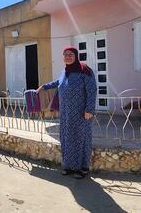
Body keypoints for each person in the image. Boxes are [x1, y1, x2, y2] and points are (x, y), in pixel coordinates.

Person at [38, 46, 97, 179]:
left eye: (71, 54)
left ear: (76, 56)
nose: (68, 56)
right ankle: (69, 166)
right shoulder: (65, 71)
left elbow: (92, 90)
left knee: (82, 139)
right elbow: (58, 82)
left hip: (81, 114)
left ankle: (83, 168)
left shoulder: (85, 70)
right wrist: (44, 86)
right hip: (66, 114)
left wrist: (89, 110)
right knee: (67, 139)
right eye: (65, 54)